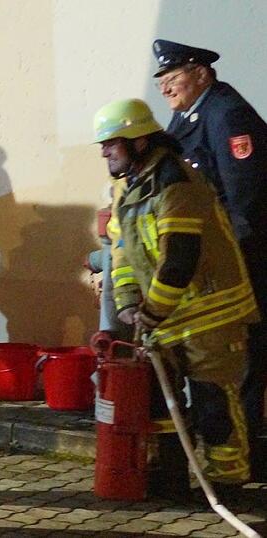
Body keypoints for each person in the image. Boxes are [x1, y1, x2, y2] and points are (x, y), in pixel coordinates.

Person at [94, 98, 260, 496]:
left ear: (138, 142)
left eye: (111, 144)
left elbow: (179, 261)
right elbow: (122, 253)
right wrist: (129, 304)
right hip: (165, 316)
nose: (104, 152)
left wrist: (149, 312)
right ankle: (171, 476)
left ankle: (227, 483)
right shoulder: (129, 190)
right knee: (161, 403)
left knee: (213, 403)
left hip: (209, 316)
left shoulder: (176, 184)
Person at [152, 39, 267, 481]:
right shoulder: (188, 114)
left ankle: (245, 453)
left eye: (172, 77)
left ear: (201, 73)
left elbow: (245, 197)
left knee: (244, 357)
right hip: (212, 259)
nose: (164, 87)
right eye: (159, 80)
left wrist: (230, 256)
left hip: (242, 258)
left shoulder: (225, 114)